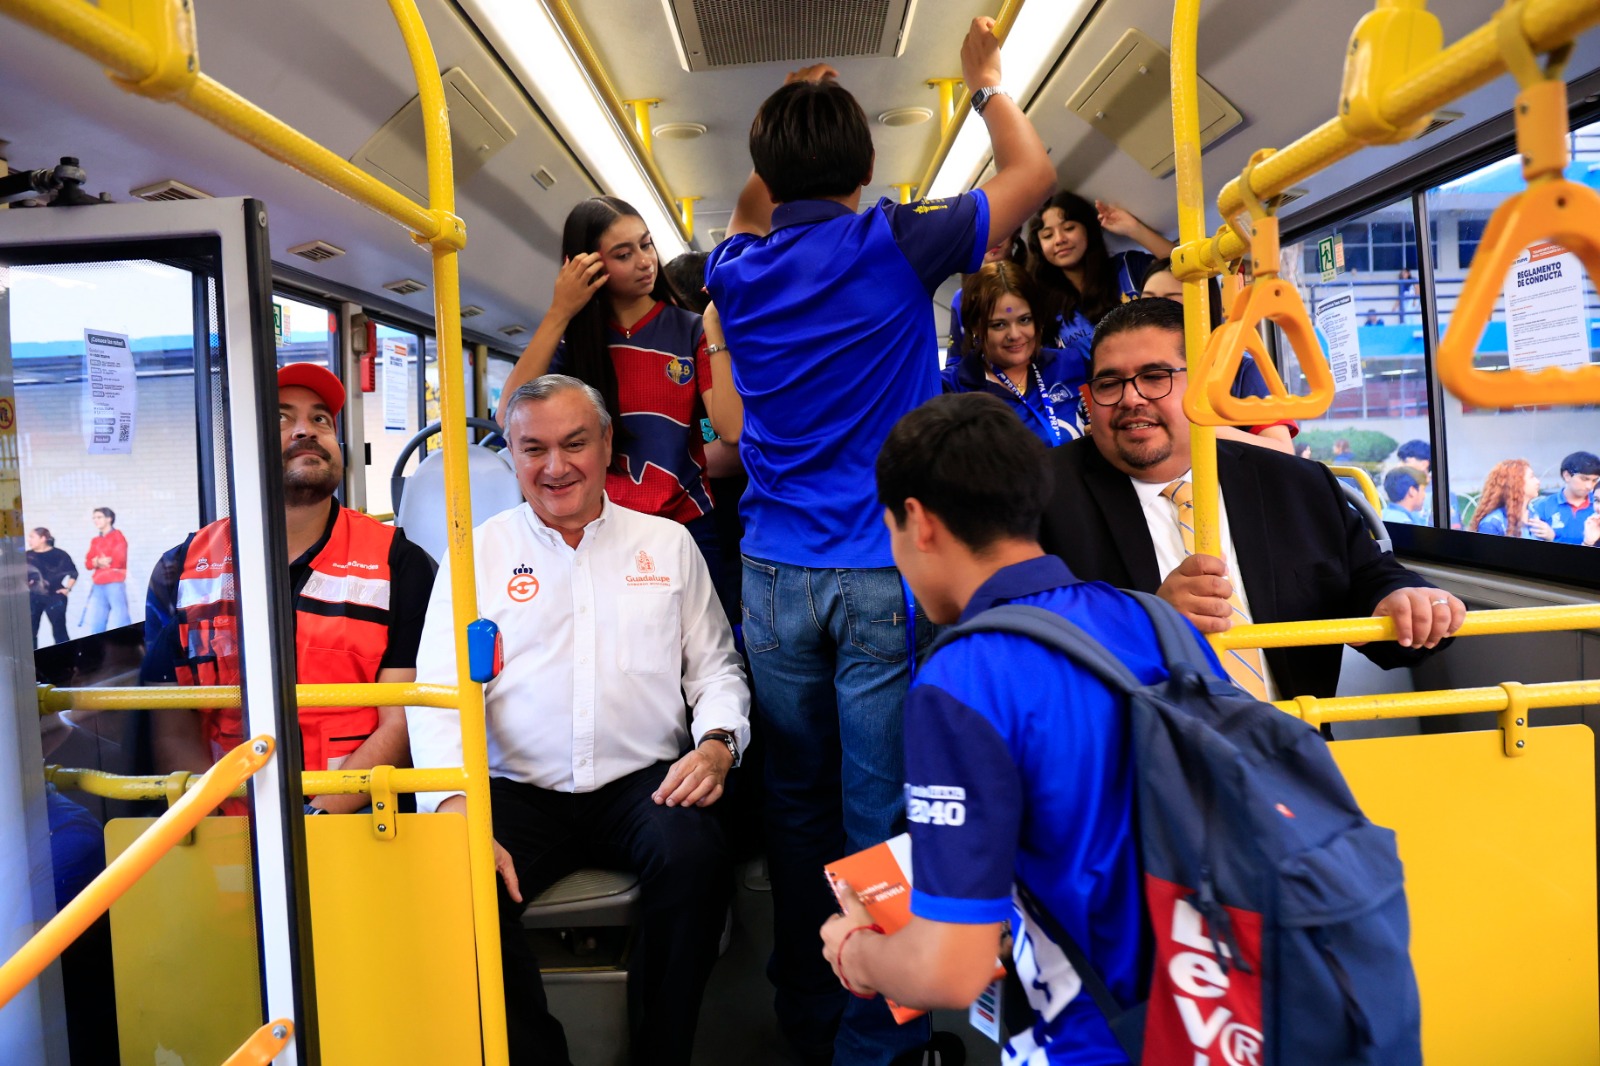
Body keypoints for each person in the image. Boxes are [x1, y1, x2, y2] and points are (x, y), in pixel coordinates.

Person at [705, 18, 1055, 1064]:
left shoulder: (733, 268)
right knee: (876, 811)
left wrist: (788, 117)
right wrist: (985, 83)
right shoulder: (897, 242)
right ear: (865, 171)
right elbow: (1033, 174)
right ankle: (874, 1043)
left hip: (771, 572)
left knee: (792, 802)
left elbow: (748, 211)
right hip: (872, 567)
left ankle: (802, 1013)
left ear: (767, 171)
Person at [820, 390, 1228, 1063]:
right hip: (1224, 1007)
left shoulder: (962, 679)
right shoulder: (1153, 618)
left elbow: (951, 971)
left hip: (1096, 1039)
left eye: (889, 528)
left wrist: (856, 953)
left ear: (918, 522)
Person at [407, 376, 749, 1066]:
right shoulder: (476, 555)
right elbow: (436, 692)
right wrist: (455, 808)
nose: (556, 466)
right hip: (515, 790)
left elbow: (716, 670)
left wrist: (717, 745)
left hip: (643, 785)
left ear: (606, 444)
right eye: (534, 448)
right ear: (511, 454)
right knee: (457, 882)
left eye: (574, 443)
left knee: (697, 862)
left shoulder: (667, 546)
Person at [1038, 298, 1464, 702]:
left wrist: (1406, 601)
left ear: (1206, 386)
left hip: (1293, 737)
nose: (1131, 398)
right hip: (1134, 747)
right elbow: (1023, 648)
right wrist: (1150, 625)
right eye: (1110, 383)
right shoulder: (1042, 498)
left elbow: (1371, 578)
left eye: (1155, 377)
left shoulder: (1294, 485)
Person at [143, 363, 435, 812]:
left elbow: (402, 719)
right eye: (281, 417)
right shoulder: (182, 570)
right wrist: (227, 823)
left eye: (321, 419)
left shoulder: (399, 562)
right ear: (243, 444)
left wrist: (317, 819)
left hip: (364, 814)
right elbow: (172, 724)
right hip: (228, 819)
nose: (306, 430)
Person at [492, 196, 740, 621]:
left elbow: (731, 430)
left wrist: (715, 330)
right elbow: (507, 416)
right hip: (600, 529)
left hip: (688, 525)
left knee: (705, 649)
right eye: (624, 254)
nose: (645, 261)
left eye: (646, 245)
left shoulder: (690, 330)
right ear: (588, 266)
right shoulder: (575, 344)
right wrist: (560, 311)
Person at [1136, 257, 1297, 453]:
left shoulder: (1239, 370)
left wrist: (1200, 425)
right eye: (1148, 299)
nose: (1154, 310)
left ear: (1204, 307)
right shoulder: (1123, 367)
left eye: (1172, 301)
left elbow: (1282, 449)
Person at [941, 261, 1086, 446]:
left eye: (1024, 320)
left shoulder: (1071, 364)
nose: (1015, 335)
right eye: (999, 324)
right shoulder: (952, 389)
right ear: (975, 327)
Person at [1027, 191, 1174, 354]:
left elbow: (1184, 267)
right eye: (1047, 235)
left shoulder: (1128, 267)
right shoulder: (1045, 308)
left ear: (1088, 230)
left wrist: (1134, 229)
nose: (1059, 239)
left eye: (1069, 228)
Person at [945, 226, 1025, 367]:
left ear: (1014, 233)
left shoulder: (1032, 286)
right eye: (984, 228)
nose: (994, 236)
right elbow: (955, 359)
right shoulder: (961, 298)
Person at [1468, 459, 1555, 541]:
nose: (1538, 481)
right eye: (1531, 477)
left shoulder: (1534, 513)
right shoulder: (1493, 524)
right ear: (1516, 484)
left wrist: (1551, 537)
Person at [1527, 451, 1600, 545]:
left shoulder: (1597, 508)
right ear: (1567, 476)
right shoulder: (1542, 506)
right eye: (1584, 479)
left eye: (1594, 480)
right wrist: (1550, 539)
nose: (1589, 486)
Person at [27, 528, 77, 648]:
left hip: (55, 597)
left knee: (60, 632)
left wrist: (68, 589)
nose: (29, 540)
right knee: (30, 633)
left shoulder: (60, 555)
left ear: (43, 538)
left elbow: (74, 573)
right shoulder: (27, 556)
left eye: (32, 537)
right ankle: (33, 657)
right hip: (33, 598)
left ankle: (66, 657)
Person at [82, 506, 128, 633]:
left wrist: (96, 562)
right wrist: (99, 562)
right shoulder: (95, 540)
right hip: (98, 584)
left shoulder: (118, 536)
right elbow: (88, 563)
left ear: (109, 519)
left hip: (114, 583)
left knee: (121, 620)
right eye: (94, 518)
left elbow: (118, 561)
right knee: (98, 623)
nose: (95, 520)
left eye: (99, 517)